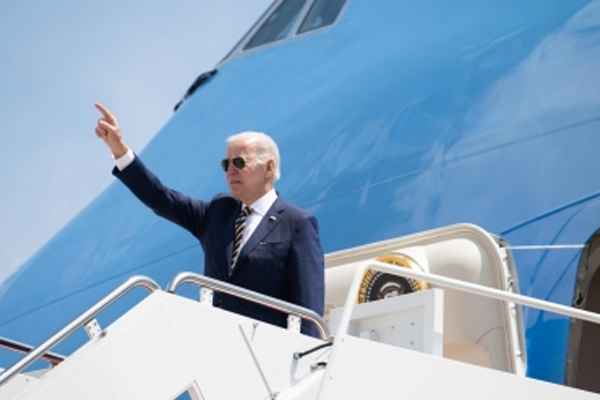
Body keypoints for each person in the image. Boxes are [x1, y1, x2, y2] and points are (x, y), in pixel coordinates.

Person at [94, 103, 325, 337]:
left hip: (265, 348)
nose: (230, 171)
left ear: (268, 168)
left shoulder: (296, 224)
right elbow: (161, 198)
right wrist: (120, 151)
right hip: (212, 341)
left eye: (239, 162)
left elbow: (309, 311)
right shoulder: (218, 213)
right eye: (226, 164)